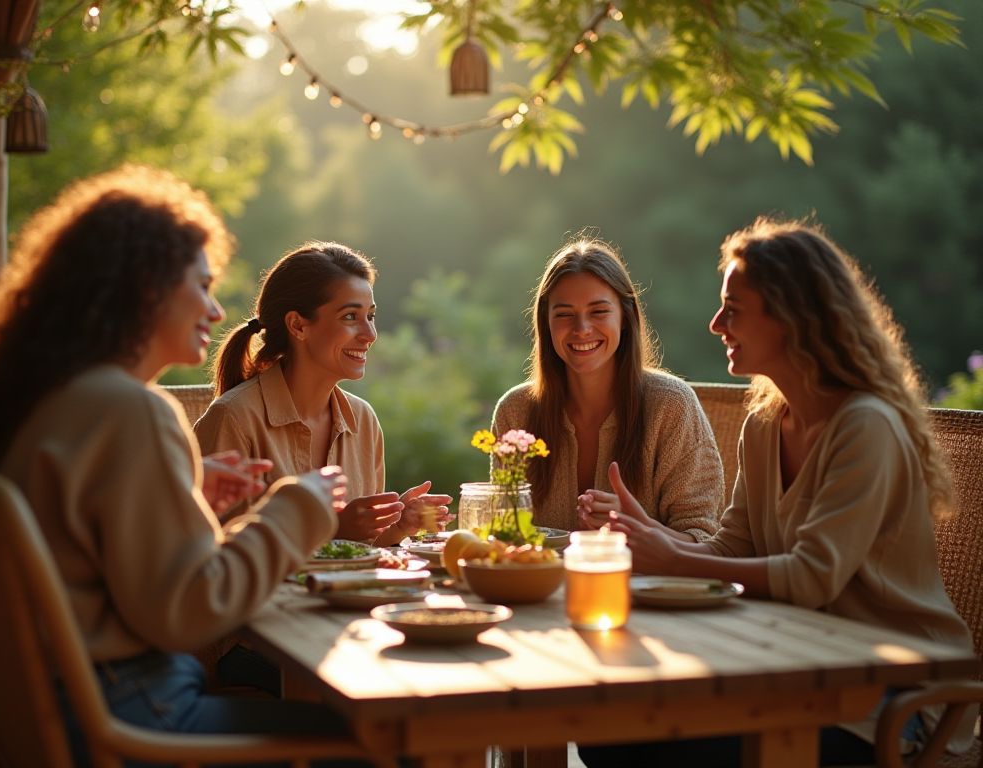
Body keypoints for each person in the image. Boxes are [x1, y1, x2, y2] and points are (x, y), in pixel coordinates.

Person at [0, 165, 361, 766]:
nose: (218, 310)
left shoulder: (47, 400)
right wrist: (293, 509)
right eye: (201, 286)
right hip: (137, 715)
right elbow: (185, 614)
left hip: (73, 710)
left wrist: (189, 496)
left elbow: (89, 547)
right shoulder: (130, 409)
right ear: (143, 287)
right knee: (386, 741)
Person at [578, 217, 976, 766]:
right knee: (610, 730)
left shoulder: (866, 426)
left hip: (891, 697)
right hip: (795, 666)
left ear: (793, 319)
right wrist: (651, 536)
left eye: (733, 309)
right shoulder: (765, 425)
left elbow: (811, 577)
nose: (716, 324)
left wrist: (674, 557)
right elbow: (730, 551)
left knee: (642, 743)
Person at [195, 243, 451, 546]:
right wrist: (330, 529)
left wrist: (396, 527)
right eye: (350, 317)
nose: (370, 334)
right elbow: (213, 555)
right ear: (298, 325)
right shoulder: (234, 418)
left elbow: (356, 552)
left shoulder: (363, 420)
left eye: (370, 315)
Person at [491, 235, 723, 543]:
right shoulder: (515, 412)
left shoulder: (672, 406)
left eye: (598, 311)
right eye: (564, 314)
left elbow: (704, 541)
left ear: (625, 318)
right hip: (537, 590)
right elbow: (504, 532)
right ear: (545, 322)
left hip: (639, 590)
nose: (582, 328)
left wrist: (635, 527)